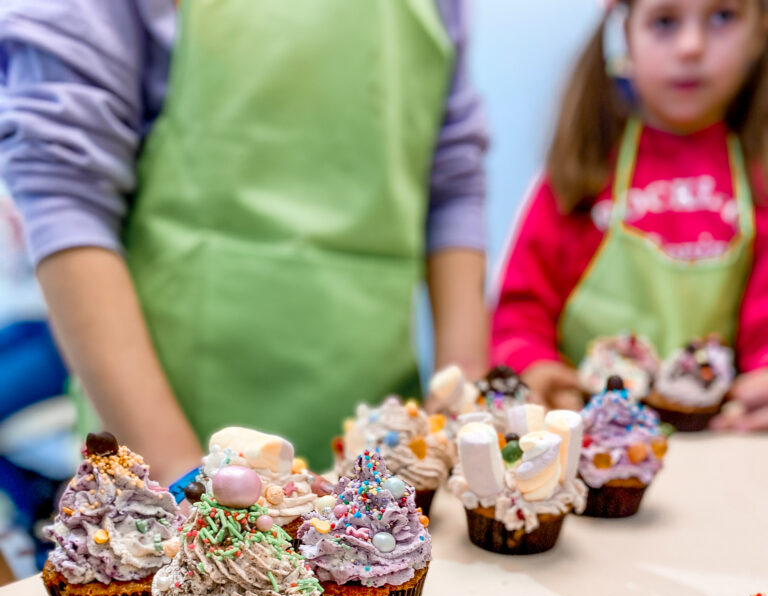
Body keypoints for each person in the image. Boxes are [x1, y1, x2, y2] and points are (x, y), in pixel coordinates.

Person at [0, 0, 489, 480]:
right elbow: (66, 194)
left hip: (385, 448)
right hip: (170, 437)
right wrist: (176, 475)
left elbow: (452, 180)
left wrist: (458, 423)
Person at [490, 0, 768, 428]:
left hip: (718, 444)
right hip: (585, 437)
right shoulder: (581, 173)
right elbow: (519, 315)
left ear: (759, 31)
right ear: (624, 34)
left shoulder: (759, 177)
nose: (691, 46)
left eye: (721, 16)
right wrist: (533, 365)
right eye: (664, 21)